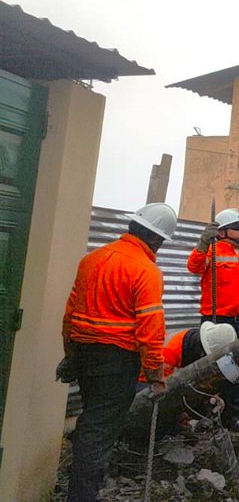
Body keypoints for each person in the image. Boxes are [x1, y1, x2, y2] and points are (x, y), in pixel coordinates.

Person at [61, 203, 176, 502]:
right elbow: (151, 330)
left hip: (85, 353)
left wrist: (70, 354)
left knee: (93, 423)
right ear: (157, 239)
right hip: (116, 361)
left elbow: (70, 312)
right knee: (98, 432)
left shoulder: (92, 259)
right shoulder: (145, 270)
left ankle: (83, 487)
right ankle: (82, 496)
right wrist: (155, 374)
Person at [187, 207, 239, 429]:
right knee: (212, 369)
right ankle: (207, 413)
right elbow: (194, 267)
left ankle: (234, 416)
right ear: (222, 232)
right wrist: (203, 243)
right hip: (218, 321)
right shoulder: (211, 251)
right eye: (238, 228)